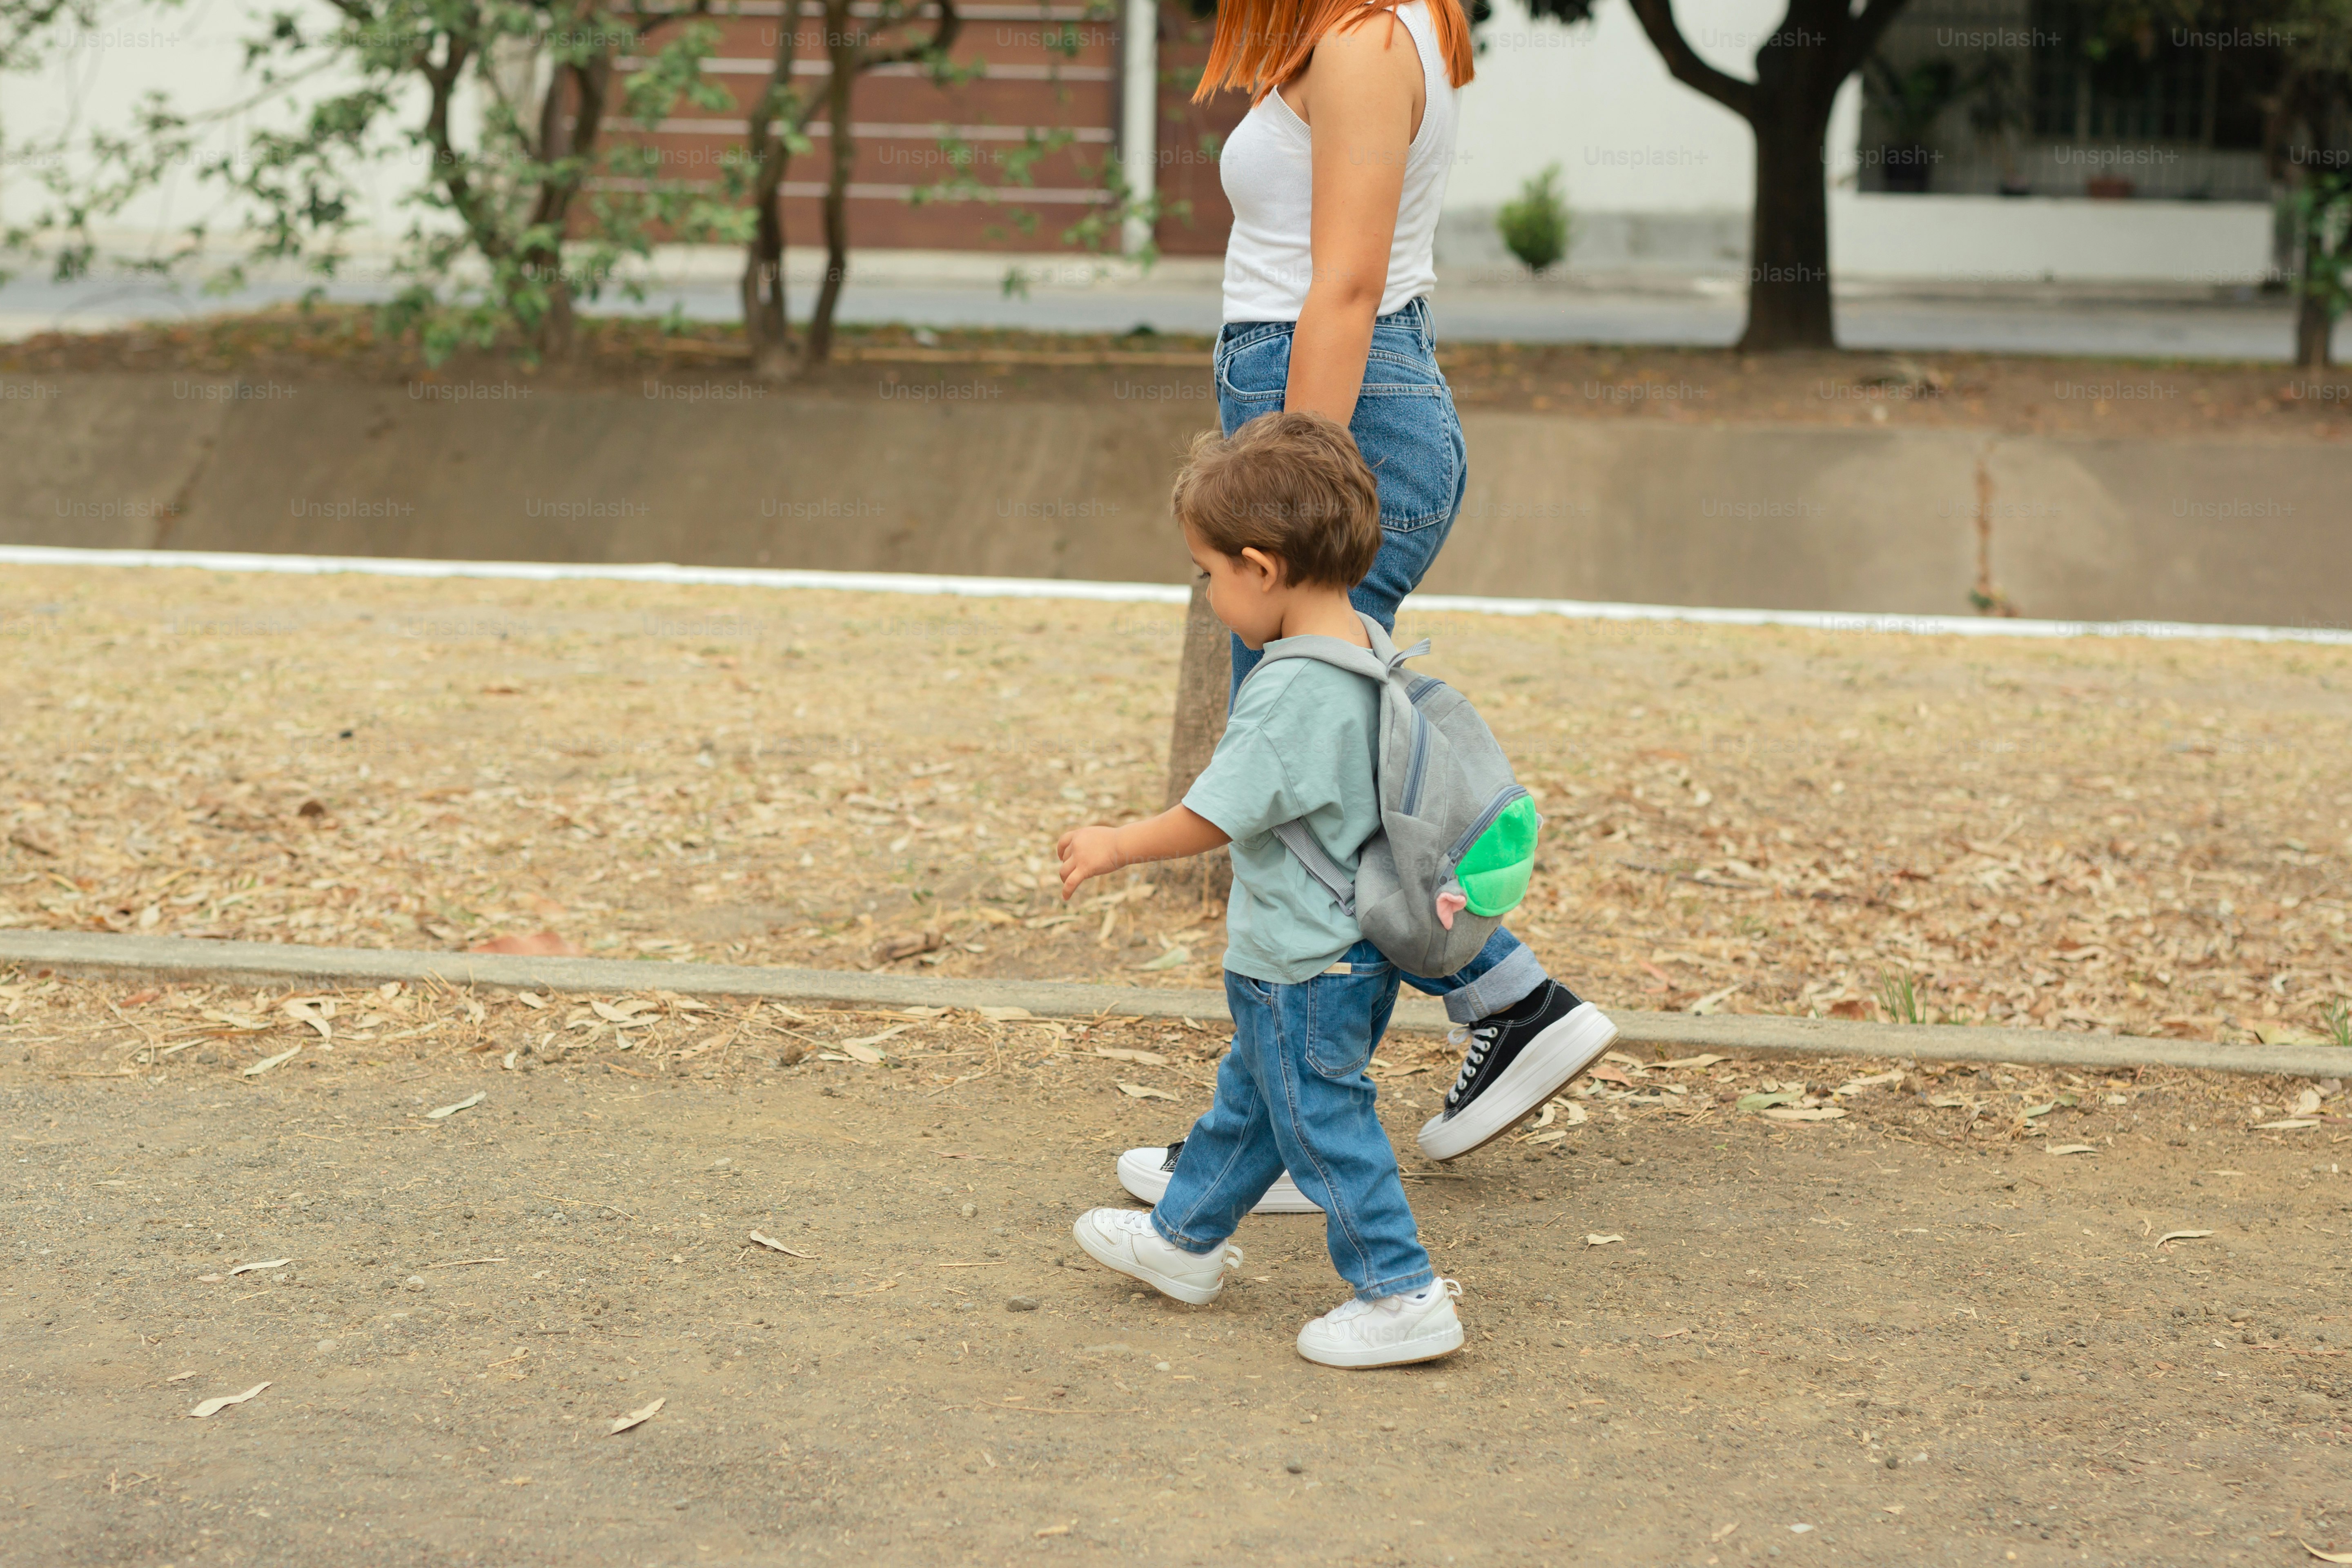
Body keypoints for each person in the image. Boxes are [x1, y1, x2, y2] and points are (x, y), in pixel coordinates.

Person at [1116, 0, 1611, 1201]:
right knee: (1321, 797)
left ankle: (1477, 1020)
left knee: (1304, 803)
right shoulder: (1368, 29)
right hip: (1334, 411)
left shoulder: (1364, 40)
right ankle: (1471, 1021)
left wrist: (1290, 485)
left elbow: (1343, 287)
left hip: (1344, 418)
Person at [1060, 412, 1462, 1368]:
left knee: (1321, 1128)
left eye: (1208, 573)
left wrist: (1118, 844)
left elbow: (1216, 811)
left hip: (1302, 964)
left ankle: (1400, 1292)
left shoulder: (1291, 692)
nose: (1208, 595)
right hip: (1343, 954)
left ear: (1262, 567)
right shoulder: (1362, 649)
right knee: (1253, 1107)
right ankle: (1181, 1243)